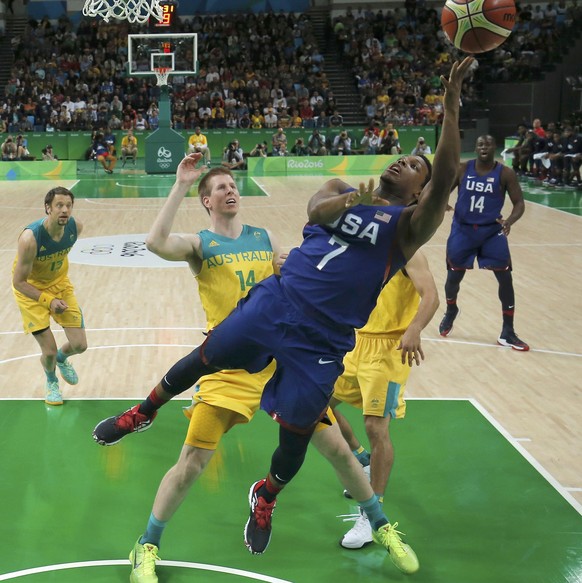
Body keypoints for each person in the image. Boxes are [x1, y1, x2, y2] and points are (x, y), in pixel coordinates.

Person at [93, 56, 473, 570]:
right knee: (203, 365)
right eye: (402, 157)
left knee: (306, 444)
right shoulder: (342, 190)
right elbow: (316, 211)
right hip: (278, 305)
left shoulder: (410, 228)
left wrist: (449, 108)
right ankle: (143, 414)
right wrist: (349, 202)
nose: (403, 162)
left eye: (415, 167)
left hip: (321, 340)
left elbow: (447, 173)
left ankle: (276, 497)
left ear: (422, 193)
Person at [106, 158, 419, 581]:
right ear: (207, 200)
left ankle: (380, 525)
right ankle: (146, 544)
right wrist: (180, 184)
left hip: (286, 356)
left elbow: (296, 272)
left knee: (339, 452)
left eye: (233, 184)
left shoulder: (264, 236)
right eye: (219, 187)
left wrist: (290, 263)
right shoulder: (200, 244)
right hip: (231, 367)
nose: (230, 191)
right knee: (192, 463)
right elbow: (156, 242)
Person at [330, 250, 439, 549]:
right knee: (318, 405)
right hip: (356, 341)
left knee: (376, 428)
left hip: (390, 348)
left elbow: (431, 295)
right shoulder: (365, 245)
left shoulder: (410, 252)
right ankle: (363, 460)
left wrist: (415, 328)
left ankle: (371, 516)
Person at [438, 134, 529, 350]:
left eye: (488, 143)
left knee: (505, 278)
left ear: (494, 146)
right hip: (463, 230)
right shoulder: (462, 169)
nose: (484, 147)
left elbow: (519, 203)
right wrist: (442, 203)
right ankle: (451, 309)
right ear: (476, 148)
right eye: (480, 144)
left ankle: (508, 331)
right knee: (454, 277)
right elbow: (442, 192)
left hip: (491, 232)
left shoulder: (505, 173)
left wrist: (510, 221)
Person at [11, 187, 87, 405]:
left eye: (68, 206)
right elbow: (18, 282)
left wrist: (56, 294)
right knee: (50, 351)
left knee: (80, 345)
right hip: (30, 291)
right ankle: (52, 381)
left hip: (60, 286)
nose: (64, 210)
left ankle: (63, 360)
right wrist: (48, 301)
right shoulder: (30, 239)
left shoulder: (76, 227)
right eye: (59, 206)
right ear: (48, 208)